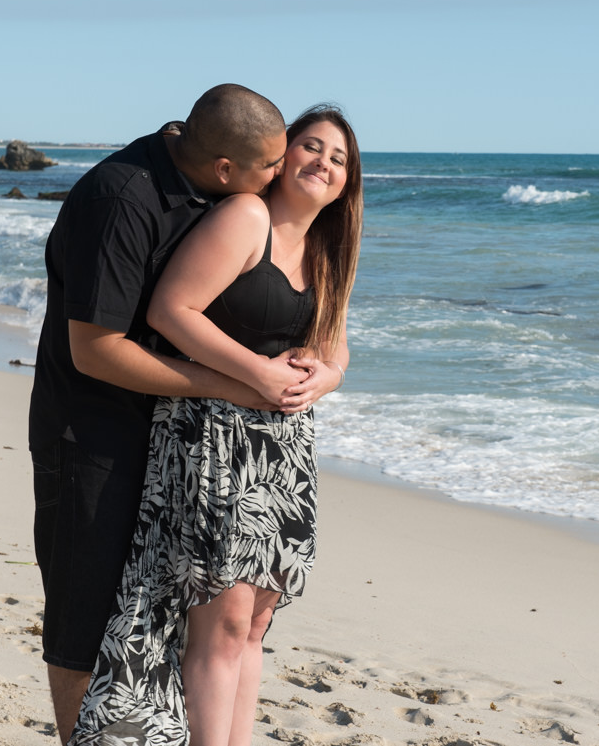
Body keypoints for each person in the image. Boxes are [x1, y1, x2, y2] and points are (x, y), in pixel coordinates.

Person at [69, 105, 363, 746]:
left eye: (338, 158)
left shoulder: (327, 248)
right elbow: (173, 310)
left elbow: (336, 347)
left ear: (348, 181)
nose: (323, 163)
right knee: (222, 621)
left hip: (282, 452)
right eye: (311, 147)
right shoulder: (245, 217)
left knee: (255, 623)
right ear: (282, 157)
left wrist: (328, 378)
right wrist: (257, 375)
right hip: (210, 438)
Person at [28, 84, 305, 745]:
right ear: (224, 171)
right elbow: (96, 351)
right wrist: (229, 384)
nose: (283, 172)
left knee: (155, 617)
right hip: (91, 434)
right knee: (85, 616)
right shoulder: (120, 200)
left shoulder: (216, 194)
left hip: (169, 439)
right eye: (272, 166)